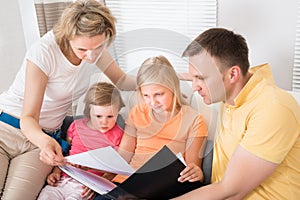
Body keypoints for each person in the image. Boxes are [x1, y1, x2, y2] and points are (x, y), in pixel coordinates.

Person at [0, 0, 136, 199]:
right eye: (82, 50)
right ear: (68, 36)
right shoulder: (44, 52)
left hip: (41, 143)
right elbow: (28, 117)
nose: (91, 56)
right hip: (8, 130)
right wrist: (45, 142)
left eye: (98, 48)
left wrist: (169, 77)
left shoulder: (94, 47)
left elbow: (123, 80)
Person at [173, 27, 300, 199]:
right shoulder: (233, 90)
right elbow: (215, 73)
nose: (195, 86)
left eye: (200, 78)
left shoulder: (273, 107)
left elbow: (231, 191)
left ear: (233, 74)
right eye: (192, 77)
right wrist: (167, 74)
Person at [94, 55, 208, 200]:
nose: (152, 102)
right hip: (126, 184)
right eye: (146, 95)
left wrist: (196, 172)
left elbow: (192, 169)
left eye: (159, 94)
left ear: (173, 88)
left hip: (161, 189)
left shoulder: (194, 120)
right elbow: (123, 156)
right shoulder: (137, 112)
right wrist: (100, 179)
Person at [37, 82, 124, 200]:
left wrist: (98, 185)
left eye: (110, 116)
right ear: (89, 111)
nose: (104, 122)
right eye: (98, 116)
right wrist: (56, 171)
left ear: (118, 111)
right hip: (62, 179)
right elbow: (65, 154)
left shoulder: (118, 135)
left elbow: (115, 168)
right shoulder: (76, 126)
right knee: (45, 196)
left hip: (85, 186)